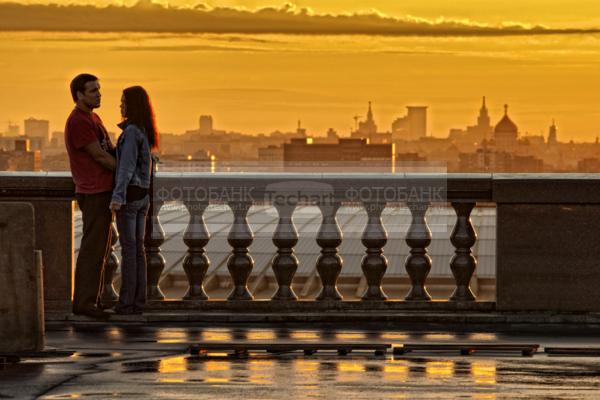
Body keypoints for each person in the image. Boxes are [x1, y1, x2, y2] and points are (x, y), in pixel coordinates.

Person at [65, 73, 115, 319]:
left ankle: (92, 300)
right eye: (93, 91)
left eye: (99, 89)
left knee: (100, 249)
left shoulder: (93, 117)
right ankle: (84, 303)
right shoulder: (78, 121)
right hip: (93, 191)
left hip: (101, 191)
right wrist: (128, 171)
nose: (99, 94)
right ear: (79, 95)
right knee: (92, 250)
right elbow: (100, 156)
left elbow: (107, 150)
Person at [109, 86, 158, 315]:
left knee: (129, 251)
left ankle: (126, 302)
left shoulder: (130, 133)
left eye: (123, 102)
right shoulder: (144, 131)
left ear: (132, 104)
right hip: (143, 196)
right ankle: (139, 301)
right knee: (138, 251)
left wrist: (117, 197)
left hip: (130, 197)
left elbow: (126, 168)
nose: (121, 106)